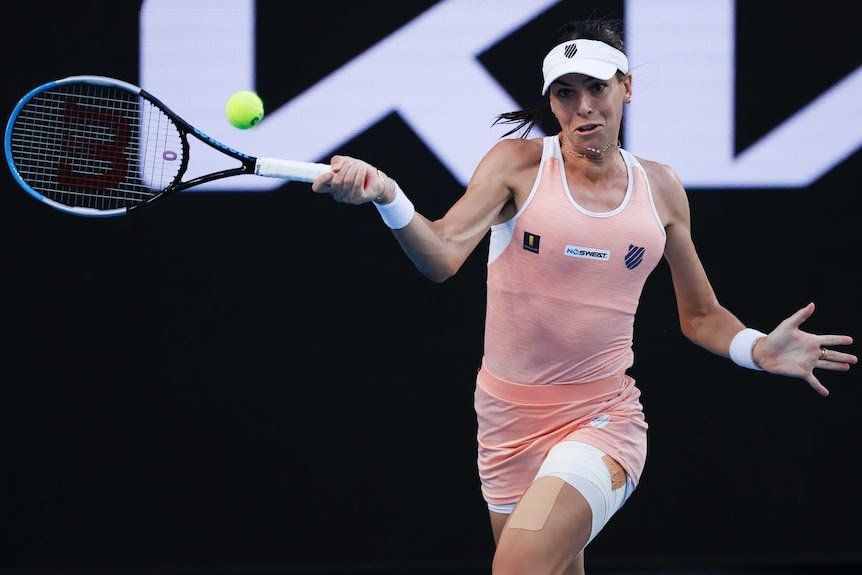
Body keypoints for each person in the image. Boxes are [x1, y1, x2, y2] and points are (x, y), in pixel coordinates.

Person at [310, 16, 857, 575]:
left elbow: (700, 314)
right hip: (504, 423)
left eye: (597, 87)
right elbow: (443, 254)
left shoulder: (661, 189)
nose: (583, 107)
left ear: (626, 87)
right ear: (551, 103)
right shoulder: (516, 167)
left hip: (602, 420)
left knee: (517, 569)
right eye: (565, 94)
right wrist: (389, 197)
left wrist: (756, 348)